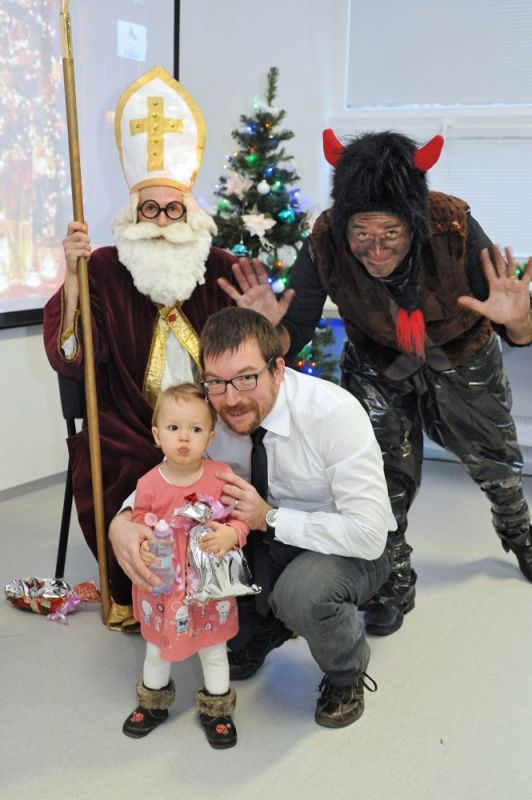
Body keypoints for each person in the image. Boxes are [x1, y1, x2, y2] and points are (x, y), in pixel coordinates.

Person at [218, 129, 532, 637]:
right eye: (361, 233)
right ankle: (392, 580)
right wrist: (269, 330)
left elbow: (517, 327)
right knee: (381, 477)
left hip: (461, 352)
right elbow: (292, 332)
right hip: (377, 360)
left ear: (413, 220)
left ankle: (519, 532)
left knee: (495, 462)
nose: (377, 248)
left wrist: (519, 322)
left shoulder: (453, 225)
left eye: (391, 231)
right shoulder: (325, 240)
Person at [111, 306, 396, 729]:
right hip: (261, 535)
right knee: (230, 623)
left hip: (345, 544)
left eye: (247, 378)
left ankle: (346, 673)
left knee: (304, 595)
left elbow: (369, 534)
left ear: (277, 369)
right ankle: (267, 624)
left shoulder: (334, 414)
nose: (231, 398)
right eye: (216, 382)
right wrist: (122, 520)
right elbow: (174, 471)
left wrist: (269, 517)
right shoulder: (213, 413)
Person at [43, 67, 236, 630]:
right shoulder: (102, 269)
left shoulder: (221, 269)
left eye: (173, 209)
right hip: (132, 425)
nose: (161, 222)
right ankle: (140, 589)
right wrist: (72, 277)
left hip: (213, 423)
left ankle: (216, 584)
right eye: (149, 209)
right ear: (132, 214)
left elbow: (256, 353)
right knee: (107, 460)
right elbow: (70, 356)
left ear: (190, 212)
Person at [123, 383, 248, 748]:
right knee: (157, 648)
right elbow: (138, 527)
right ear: (156, 435)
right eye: (173, 428)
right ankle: (153, 703)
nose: (183, 438)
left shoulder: (220, 476)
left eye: (195, 429)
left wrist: (232, 533)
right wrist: (144, 546)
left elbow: (241, 518)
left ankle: (217, 709)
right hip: (164, 587)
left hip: (207, 586)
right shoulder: (148, 484)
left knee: (213, 648)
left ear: (210, 437)